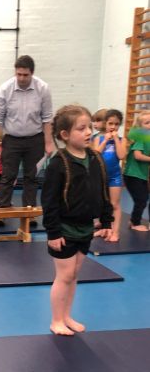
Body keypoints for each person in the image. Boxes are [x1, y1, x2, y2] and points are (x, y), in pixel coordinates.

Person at [41, 105, 113, 336]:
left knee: (74, 275)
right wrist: (53, 232)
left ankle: (67, 316)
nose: (88, 132)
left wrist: (107, 220)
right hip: (64, 229)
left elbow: (103, 190)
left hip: (85, 228)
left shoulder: (95, 158)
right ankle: (56, 320)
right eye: (81, 129)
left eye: (89, 127)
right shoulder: (58, 163)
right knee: (64, 276)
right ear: (65, 134)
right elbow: (49, 201)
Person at [0, 55, 54, 213]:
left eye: (25, 75)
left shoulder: (43, 88)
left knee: (31, 177)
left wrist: (48, 143)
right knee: (7, 176)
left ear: (32, 73)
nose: (21, 78)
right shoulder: (5, 89)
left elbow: (47, 118)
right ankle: (1, 212)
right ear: (15, 72)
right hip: (11, 139)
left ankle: (28, 213)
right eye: (18, 74)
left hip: (35, 139)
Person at [92, 109, 127, 242]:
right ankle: (104, 228)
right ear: (105, 124)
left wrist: (116, 139)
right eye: (110, 123)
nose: (113, 127)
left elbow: (121, 155)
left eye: (116, 124)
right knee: (101, 203)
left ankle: (115, 232)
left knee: (114, 204)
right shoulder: (98, 138)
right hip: (100, 176)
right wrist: (105, 140)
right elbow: (96, 155)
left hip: (114, 177)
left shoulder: (122, 140)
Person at [123, 110, 150, 231]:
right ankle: (135, 222)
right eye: (147, 123)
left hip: (141, 175)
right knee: (141, 200)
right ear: (140, 126)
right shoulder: (140, 137)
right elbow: (137, 156)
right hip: (133, 175)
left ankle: (133, 221)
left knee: (142, 199)